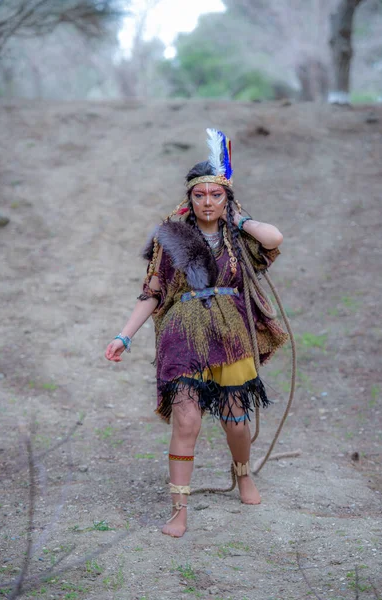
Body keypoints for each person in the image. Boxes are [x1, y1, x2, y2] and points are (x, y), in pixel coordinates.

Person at [105, 129, 288, 538]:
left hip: (229, 336)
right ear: (189, 199)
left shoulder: (240, 237)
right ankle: (179, 509)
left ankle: (242, 475)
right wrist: (125, 336)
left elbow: (275, 239)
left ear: (227, 198)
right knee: (186, 420)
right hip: (181, 338)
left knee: (236, 421)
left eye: (216, 195)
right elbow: (151, 293)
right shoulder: (169, 239)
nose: (207, 202)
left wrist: (239, 219)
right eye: (200, 195)